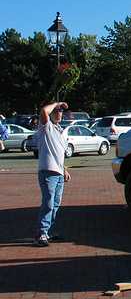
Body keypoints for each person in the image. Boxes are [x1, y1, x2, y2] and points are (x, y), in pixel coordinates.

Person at [34, 101, 72, 247]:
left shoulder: (59, 130)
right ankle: (41, 234)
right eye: (56, 111)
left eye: (61, 111)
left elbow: (59, 154)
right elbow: (43, 110)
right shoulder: (46, 127)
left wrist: (64, 169)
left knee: (55, 204)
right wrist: (56, 103)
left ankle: (47, 232)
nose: (59, 113)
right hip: (47, 172)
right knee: (48, 203)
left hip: (59, 173)